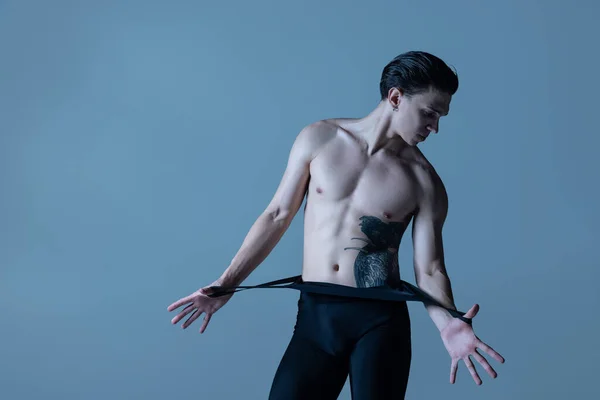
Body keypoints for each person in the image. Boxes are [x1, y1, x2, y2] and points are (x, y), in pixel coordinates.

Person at [167, 50, 505, 399]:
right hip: (316, 316)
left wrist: (447, 323)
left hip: (380, 323)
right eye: (429, 113)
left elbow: (431, 268)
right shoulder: (320, 138)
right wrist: (225, 285)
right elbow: (277, 215)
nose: (434, 127)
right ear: (395, 97)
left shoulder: (424, 182)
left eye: (439, 117)